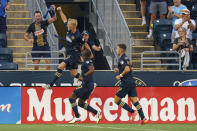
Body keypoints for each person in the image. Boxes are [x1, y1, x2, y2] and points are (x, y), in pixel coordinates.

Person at [42, 6, 83, 89]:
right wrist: (60, 11)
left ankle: (50, 85)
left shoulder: (78, 35)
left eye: (68, 25)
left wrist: (80, 54)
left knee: (60, 66)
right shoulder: (69, 30)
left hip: (73, 55)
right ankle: (89, 83)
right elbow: (64, 19)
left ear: (73, 26)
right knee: (74, 74)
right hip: (70, 54)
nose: (67, 26)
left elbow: (83, 45)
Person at [114, 44, 148, 124]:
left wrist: (120, 75)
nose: (116, 50)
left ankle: (132, 112)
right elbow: (131, 68)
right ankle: (143, 118)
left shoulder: (122, 59)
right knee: (134, 100)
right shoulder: (127, 58)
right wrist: (118, 70)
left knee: (116, 100)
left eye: (117, 49)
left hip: (126, 82)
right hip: (131, 81)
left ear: (121, 50)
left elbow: (127, 69)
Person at [68, 49, 102, 123]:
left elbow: (92, 70)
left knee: (71, 98)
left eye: (82, 54)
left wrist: (84, 75)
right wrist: (83, 78)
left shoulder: (86, 61)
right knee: (81, 103)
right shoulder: (88, 61)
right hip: (89, 84)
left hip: (86, 85)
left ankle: (77, 117)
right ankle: (97, 112)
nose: (81, 55)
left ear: (84, 55)